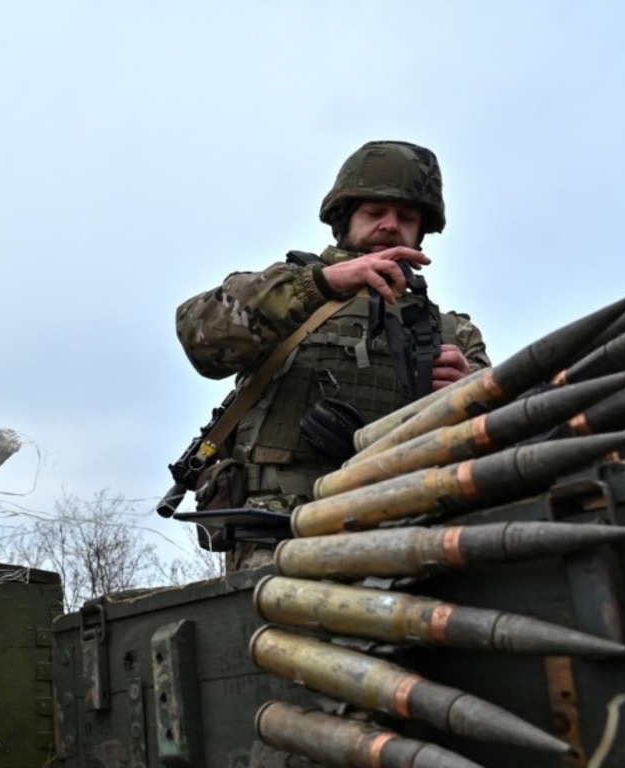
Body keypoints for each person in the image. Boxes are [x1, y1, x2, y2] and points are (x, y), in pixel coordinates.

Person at [175, 140, 491, 570]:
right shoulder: (284, 295)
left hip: (405, 534)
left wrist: (467, 394)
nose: (390, 226)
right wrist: (320, 285)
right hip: (281, 534)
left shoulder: (453, 333)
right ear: (344, 220)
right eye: (374, 213)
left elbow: (493, 445)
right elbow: (199, 336)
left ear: (422, 231)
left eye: (406, 217)